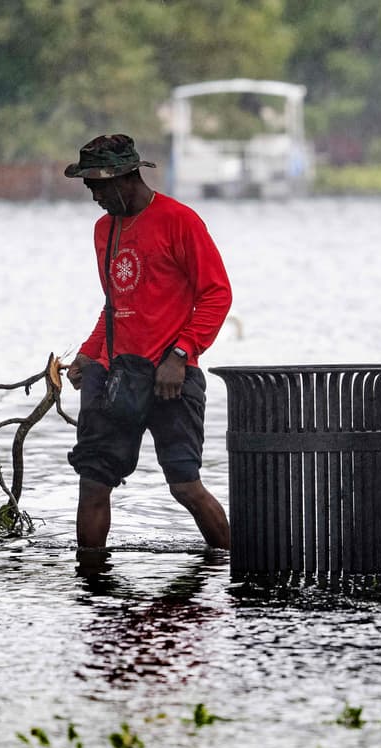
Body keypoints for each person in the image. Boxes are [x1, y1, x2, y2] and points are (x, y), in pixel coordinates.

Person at [63, 134, 233, 552]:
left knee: (185, 486)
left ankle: (234, 567)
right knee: (93, 482)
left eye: (99, 187)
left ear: (126, 178)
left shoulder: (179, 220)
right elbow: (115, 306)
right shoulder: (104, 230)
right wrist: (88, 353)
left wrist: (181, 354)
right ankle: (91, 579)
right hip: (117, 377)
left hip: (171, 377)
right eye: (89, 187)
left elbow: (217, 294)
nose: (95, 197)